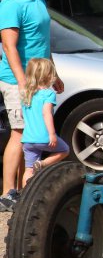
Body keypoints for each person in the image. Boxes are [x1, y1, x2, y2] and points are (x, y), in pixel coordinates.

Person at [0, 0, 58, 211]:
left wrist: (53, 74)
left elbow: (43, 41)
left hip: (40, 79)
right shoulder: (11, 4)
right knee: (20, 132)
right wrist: (23, 82)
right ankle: (7, 192)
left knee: (33, 133)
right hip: (17, 80)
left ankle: (25, 189)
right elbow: (10, 47)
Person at [19, 57, 69, 187]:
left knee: (29, 170)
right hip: (43, 137)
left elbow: (22, 114)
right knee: (64, 150)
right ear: (48, 76)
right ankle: (42, 164)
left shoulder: (26, 94)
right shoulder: (48, 94)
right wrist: (52, 134)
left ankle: (24, 198)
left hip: (27, 139)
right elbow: (46, 113)